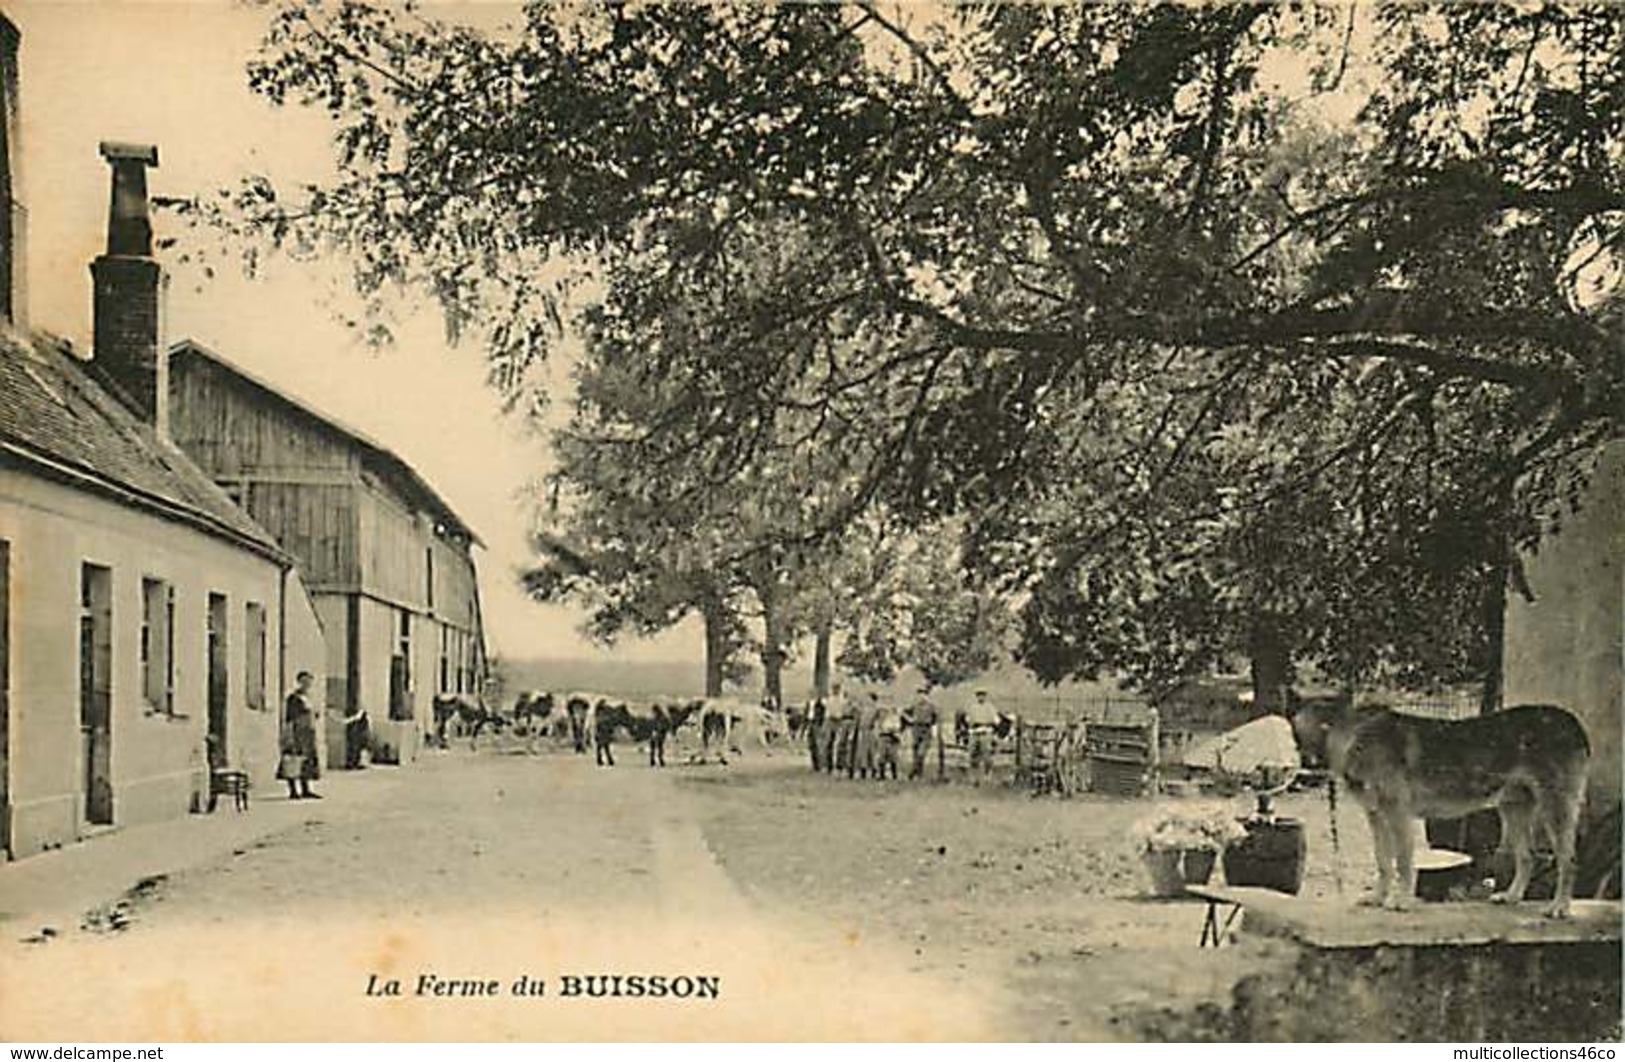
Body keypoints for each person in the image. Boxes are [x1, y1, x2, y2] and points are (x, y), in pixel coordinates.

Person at [277, 670, 322, 799]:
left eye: (309, 681)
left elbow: (314, 714)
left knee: (307, 761)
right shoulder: (294, 698)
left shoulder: (310, 697)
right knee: (293, 760)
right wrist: (289, 733)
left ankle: (306, 789)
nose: (307, 683)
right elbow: (290, 717)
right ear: (299, 682)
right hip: (297, 731)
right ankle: (293, 790)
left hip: (309, 732)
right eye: (304, 681)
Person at [902, 683, 939, 781]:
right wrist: (910, 720)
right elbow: (903, 713)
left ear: (927, 695)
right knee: (915, 752)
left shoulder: (931, 706)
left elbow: (936, 717)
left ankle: (913, 771)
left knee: (921, 753)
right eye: (920, 693)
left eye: (924, 693)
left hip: (926, 729)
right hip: (916, 729)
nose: (922, 696)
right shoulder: (914, 705)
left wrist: (931, 723)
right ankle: (918, 774)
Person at [342, 703, 370, 770]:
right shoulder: (361, 714)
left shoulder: (361, 713)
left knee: (358, 748)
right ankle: (356, 763)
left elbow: (356, 718)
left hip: (361, 734)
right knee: (357, 748)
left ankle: (357, 763)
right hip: (360, 734)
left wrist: (346, 721)